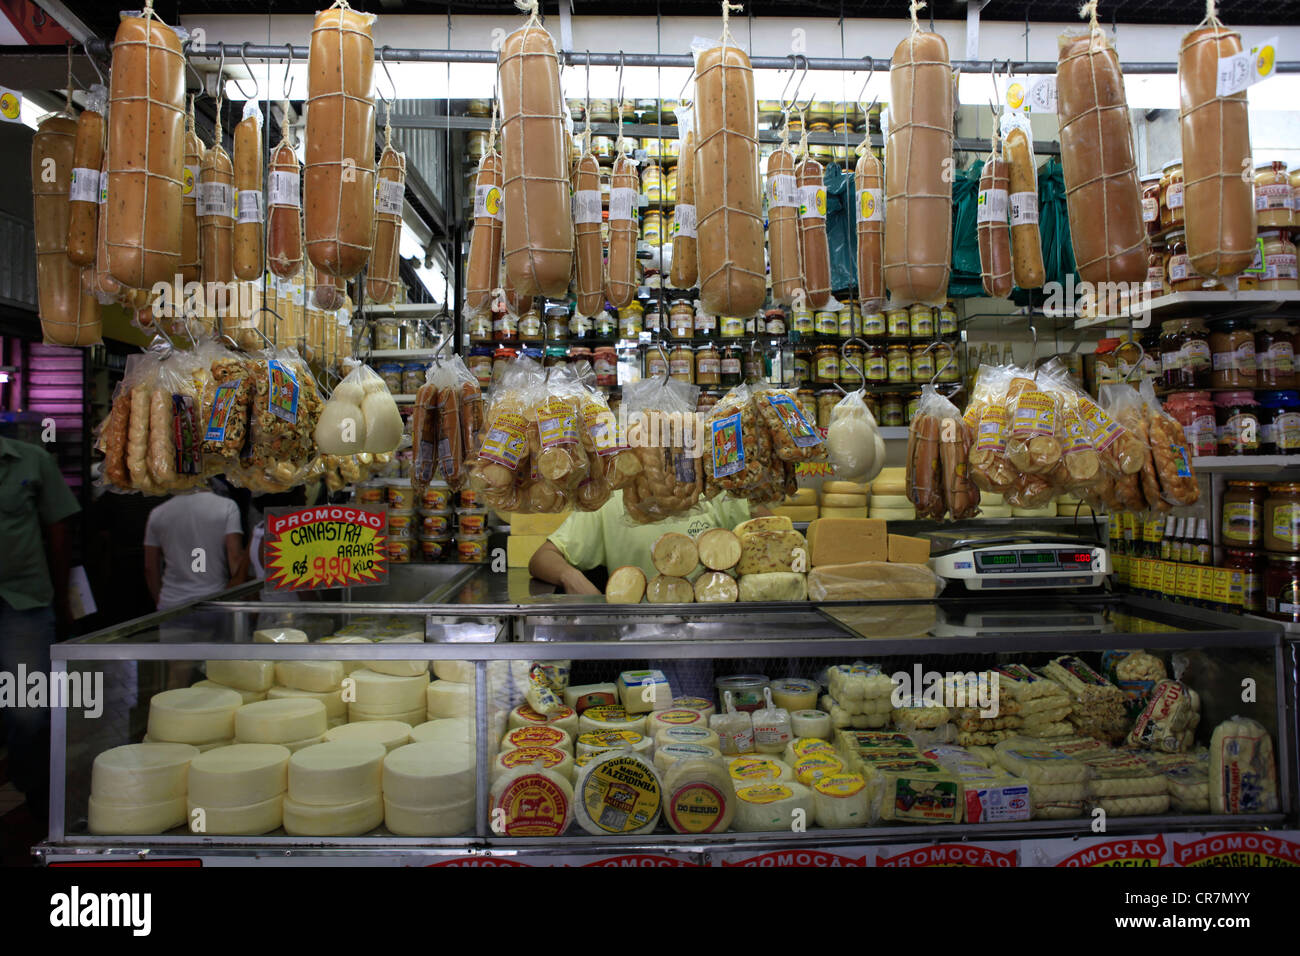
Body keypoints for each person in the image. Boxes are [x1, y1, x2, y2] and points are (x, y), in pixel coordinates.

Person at [0, 436, 80, 824]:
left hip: (24, 602)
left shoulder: (31, 461)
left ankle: (36, 796)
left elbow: (59, 528)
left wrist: (62, 597)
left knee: (28, 709)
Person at [529, 489, 771, 594]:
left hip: (712, 628)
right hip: (637, 634)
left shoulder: (711, 492)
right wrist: (571, 578)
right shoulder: (610, 500)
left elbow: (770, 537)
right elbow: (542, 558)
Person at [143, 486, 247, 611]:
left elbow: (150, 567)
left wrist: (160, 603)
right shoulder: (227, 506)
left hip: (172, 603)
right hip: (214, 600)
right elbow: (235, 558)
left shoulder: (158, 513)